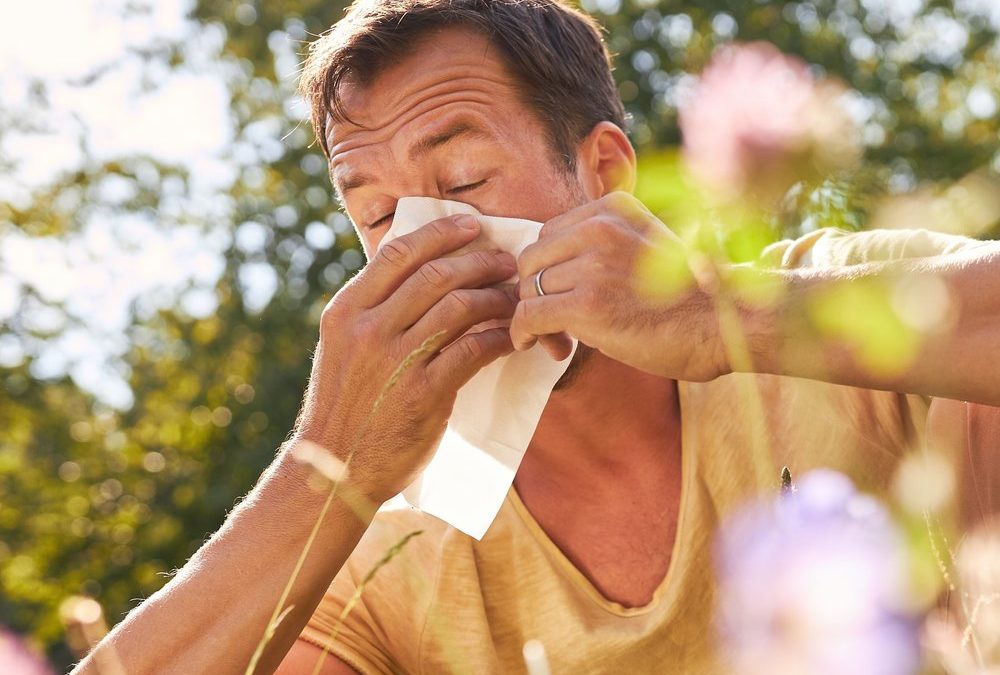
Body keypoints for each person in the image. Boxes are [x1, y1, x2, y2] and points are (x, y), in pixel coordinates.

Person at [76, 1, 1000, 673]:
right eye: (378, 214)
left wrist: (729, 316)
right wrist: (327, 463)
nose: (424, 241)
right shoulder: (391, 550)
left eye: (466, 177)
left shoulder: (833, 313)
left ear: (603, 173)